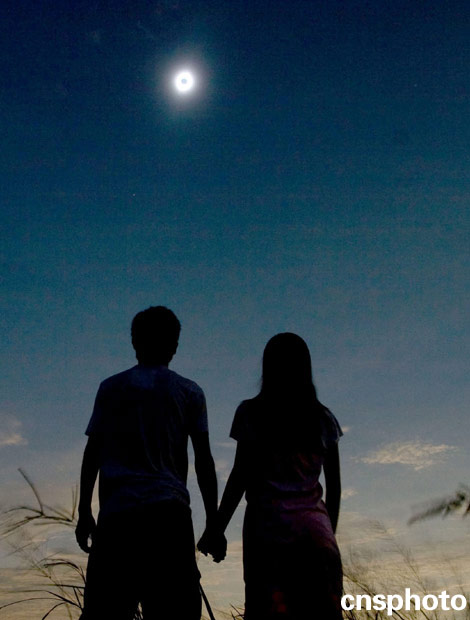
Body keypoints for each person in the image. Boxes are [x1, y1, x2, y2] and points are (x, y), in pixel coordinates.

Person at [76, 306, 226, 620]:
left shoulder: (111, 388)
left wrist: (85, 511)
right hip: (168, 518)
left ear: (134, 341)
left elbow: (93, 453)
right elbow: (203, 461)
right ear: (175, 345)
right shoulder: (189, 391)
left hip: (118, 519)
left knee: (105, 612)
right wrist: (213, 523)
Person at [198, 332, 343, 619]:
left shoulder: (251, 413)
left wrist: (216, 528)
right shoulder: (323, 418)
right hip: (316, 535)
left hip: (268, 535)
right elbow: (335, 488)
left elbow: (239, 477)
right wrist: (329, 533)